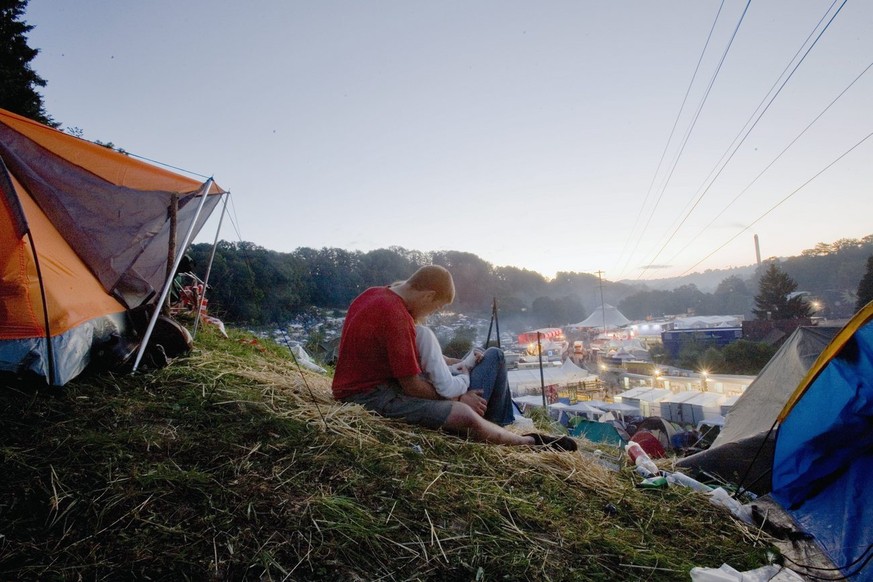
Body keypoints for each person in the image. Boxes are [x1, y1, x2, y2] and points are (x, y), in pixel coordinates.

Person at [332, 265, 576, 451]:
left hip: (375, 385)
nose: (432, 313)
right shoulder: (396, 317)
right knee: (464, 414)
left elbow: (414, 357)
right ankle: (528, 442)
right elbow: (412, 386)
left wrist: (458, 363)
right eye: (437, 307)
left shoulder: (375, 295)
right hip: (370, 396)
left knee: (493, 355)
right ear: (428, 296)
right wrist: (461, 398)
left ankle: (500, 424)